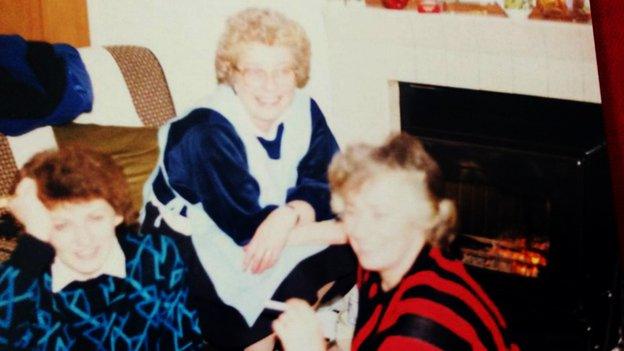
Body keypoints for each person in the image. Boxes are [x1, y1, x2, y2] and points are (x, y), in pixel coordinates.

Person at [140, 7, 355, 351]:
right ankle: (265, 337)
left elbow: (324, 181)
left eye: (283, 70)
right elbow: (249, 232)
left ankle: (300, 329)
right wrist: (341, 231)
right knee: (282, 273)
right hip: (186, 246)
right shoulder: (206, 131)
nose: (271, 85)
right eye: (255, 71)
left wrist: (289, 215)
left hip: (269, 224)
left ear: (296, 72)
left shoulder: (304, 109)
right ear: (232, 74)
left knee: (347, 249)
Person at [273, 133, 520, 351]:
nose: (360, 229)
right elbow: (342, 231)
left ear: (421, 217)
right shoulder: (407, 257)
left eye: (380, 214)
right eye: (352, 211)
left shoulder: (421, 327)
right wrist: (276, 237)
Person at [0, 146, 204, 350]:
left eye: (95, 218)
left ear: (117, 214)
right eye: (61, 225)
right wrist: (32, 245)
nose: (83, 238)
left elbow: (185, 341)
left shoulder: (156, 254)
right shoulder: (23, 282)